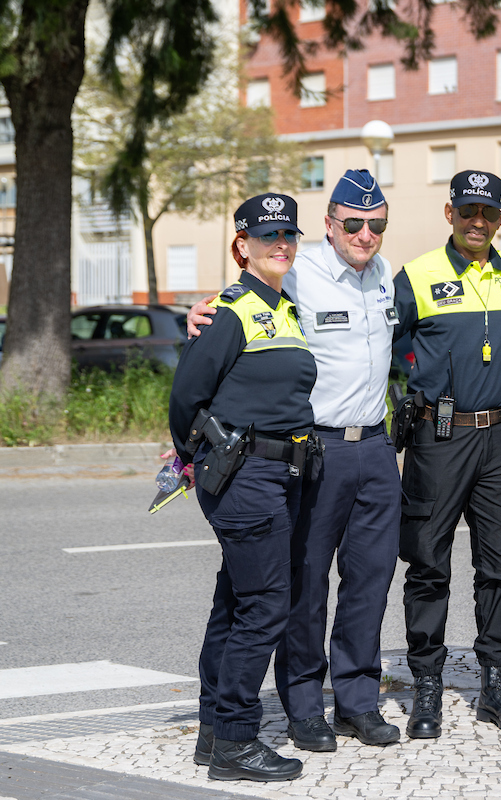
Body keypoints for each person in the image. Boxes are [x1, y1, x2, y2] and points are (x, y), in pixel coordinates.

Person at [188, 170, 403, 751]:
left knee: (370, 581)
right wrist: (199, 311)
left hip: (377, 448)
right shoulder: (300, 273)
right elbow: (239, 304)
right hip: (317, 450)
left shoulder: (384, 276)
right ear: (329, 226)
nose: (365, 234)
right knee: (305, 584)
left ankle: (358, 699)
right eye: (353, 223)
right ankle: (304, 704)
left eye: (376, 224)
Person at [169, 193, 315, 782]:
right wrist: (190, 455)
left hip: (280, 472)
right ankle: (235, 741)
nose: (281, 244)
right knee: (266, 605)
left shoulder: (286, 308)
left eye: (289, 235)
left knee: (236, 601)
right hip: (244, 475)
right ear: (242, 246)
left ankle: (212, 731)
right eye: (268, 236)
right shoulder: (228, 311)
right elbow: (186, 397)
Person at [393, 170, 501, 737]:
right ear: (449, 211)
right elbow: (385, 337)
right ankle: (427, 687)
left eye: (489, 213)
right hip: (440, 436)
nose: (477, 221)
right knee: (428, 564)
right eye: (467, 210)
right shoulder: (417, 275)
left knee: (500, 566)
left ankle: (495, 685)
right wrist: (423, 375)